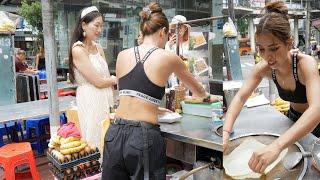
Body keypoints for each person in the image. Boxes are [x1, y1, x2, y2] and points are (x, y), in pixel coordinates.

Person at [102, 3, 219, 179]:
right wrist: (208, 96)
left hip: (114, 134)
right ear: (163, 31)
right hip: (142, 139)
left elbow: (129, 95)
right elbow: (199, 92)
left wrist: (156, 108)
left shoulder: (122, 55)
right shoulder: (168, 57)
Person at [223, 1, 320, 174]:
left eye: (274, 48)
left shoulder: (305, 65)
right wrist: (226, 130)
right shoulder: (265, 68)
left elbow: (317, 109)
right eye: (261, 49)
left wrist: (276, 146)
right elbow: (239, 98)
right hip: (294, 120)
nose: (268, 56)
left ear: (289, 43)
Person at [68, 6, 117, 151]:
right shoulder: (78, 50)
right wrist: (116, 79)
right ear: (84, 24)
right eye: (96, 25)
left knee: (108, 137)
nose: (99, 30)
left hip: (106, 97)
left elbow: (105, 77)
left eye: (101, 26)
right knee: (95, 139)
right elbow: (98, 81)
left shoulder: (98, 47)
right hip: (91, 98)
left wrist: (112, 81)